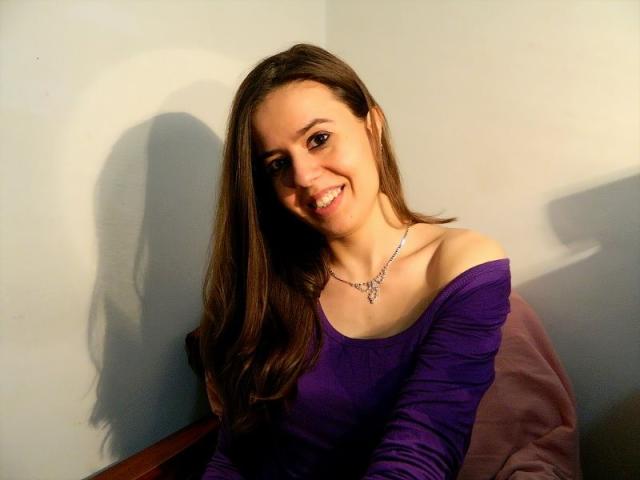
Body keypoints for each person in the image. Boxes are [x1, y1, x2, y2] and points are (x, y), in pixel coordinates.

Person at [199, 43, 511, 479]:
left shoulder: (463, 267)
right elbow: (237, 454)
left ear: (373, 126)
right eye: (277, 164)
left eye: (318, 139)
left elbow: (425, 445)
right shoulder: (268, 285)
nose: (304, 177)